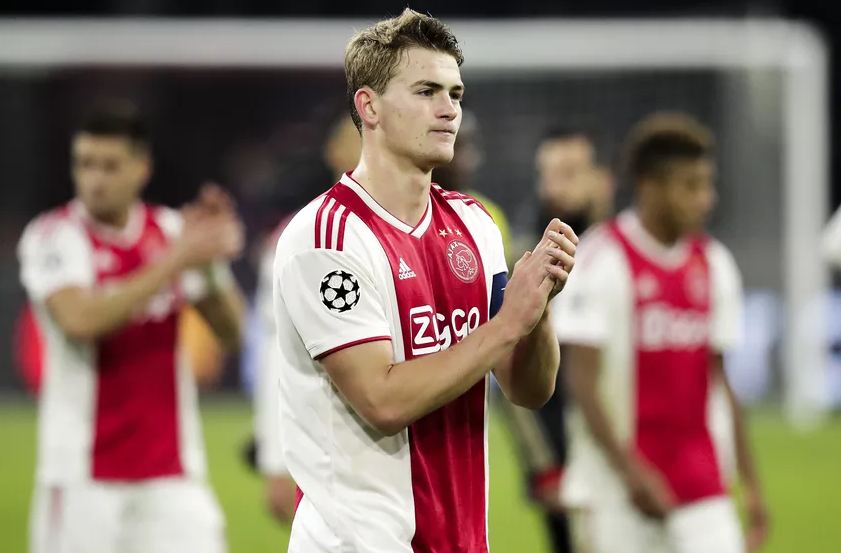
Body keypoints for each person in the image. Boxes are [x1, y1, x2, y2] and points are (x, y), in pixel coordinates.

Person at [271, 9, 578, 552]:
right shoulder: (326, 237)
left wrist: (538, 308)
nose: (449, 109)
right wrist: (507, 323)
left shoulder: (475, 225)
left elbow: (529, 389)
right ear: (369, 107)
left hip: (461, 540)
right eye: (426, 91)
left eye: (455, 94)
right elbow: (382, 401)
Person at [18, 101, 245, 553]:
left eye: (109, 166)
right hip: (82, 477)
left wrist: (210, 263)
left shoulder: (170, 230)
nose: (94, 179)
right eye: (85, 164)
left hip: (172, 474)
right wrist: (177, 260)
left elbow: (232, 333)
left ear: (141, 169)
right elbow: (81, 320)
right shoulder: (53, 236)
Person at [553, 112, 768, 553]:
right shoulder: (601, 259)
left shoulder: (715, 264)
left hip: (702, 488)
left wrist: (750, 483)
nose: (706, 199)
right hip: (617, 492)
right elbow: (581, 383)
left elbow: (720, 378)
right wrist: (630, 473)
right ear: (649, 187)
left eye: (707, 185)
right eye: (691, 186)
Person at [250, 114, 361, 523]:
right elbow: (276, 352)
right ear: (332, 152)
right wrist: (275, 457)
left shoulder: (414, 229)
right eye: (356, 137)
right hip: (323, 444)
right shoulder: (296, 237)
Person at [506, 126, 613, 553]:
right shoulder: (524, 261)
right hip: (561, 453)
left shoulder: (625, 257)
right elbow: (507, 369)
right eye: (546, 174)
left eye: (568, 173)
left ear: (601, 180)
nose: (553, 187)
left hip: (630, 446)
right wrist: (541, 465)